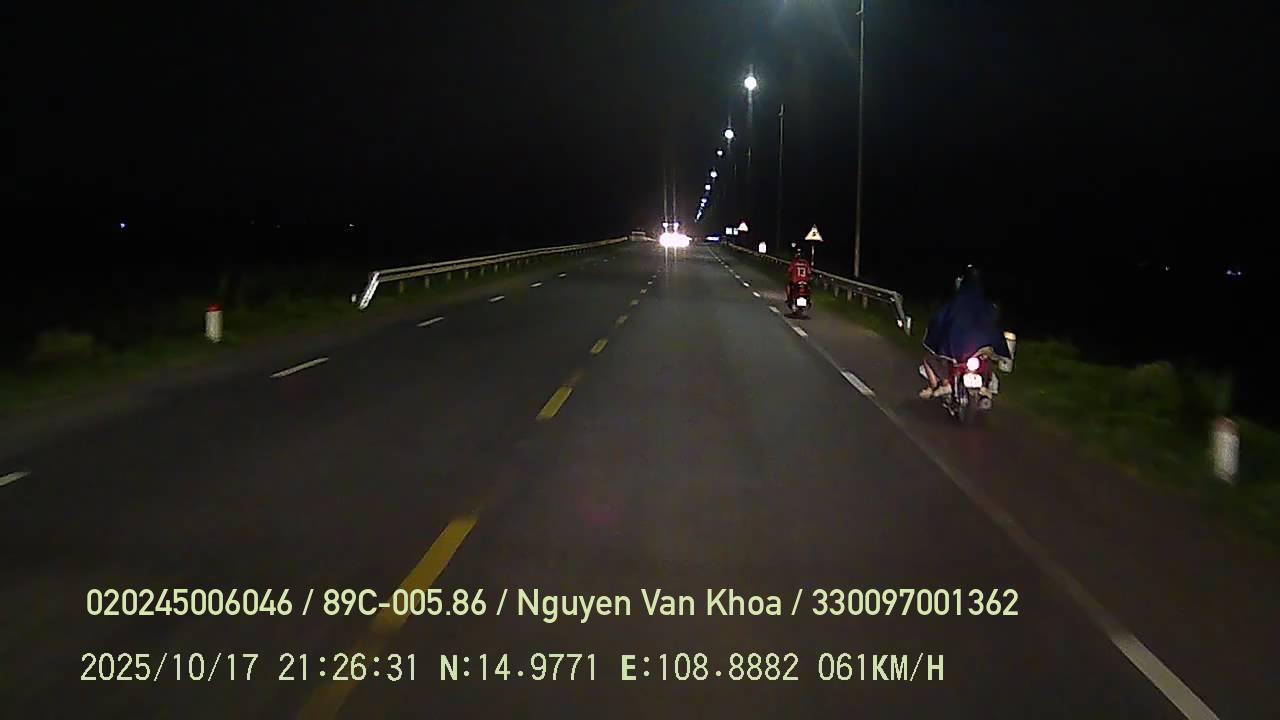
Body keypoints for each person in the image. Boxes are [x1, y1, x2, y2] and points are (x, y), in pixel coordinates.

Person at [919, 267, 1012, 398]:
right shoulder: (987, 305)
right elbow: (994, 328)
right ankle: (985, 386)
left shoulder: (955, 303)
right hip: (979, 350)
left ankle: (942, 384)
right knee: (987, 358)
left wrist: (933, 334)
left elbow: (939, 320)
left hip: (957, 350)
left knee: (931, 358)